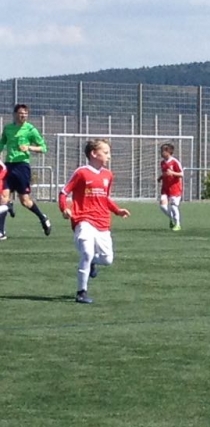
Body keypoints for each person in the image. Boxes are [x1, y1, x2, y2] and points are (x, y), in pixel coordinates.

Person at [58, 139, 131, 304]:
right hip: (83, 219)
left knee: (107, 259)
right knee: (87, 253)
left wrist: (117, 210)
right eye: (105, 152)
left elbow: (105, 198)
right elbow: (63, 193)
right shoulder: (81, 172)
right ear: (93, 154)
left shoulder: (108, 175)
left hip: (102, 222)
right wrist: (64, 209)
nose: (109, 156)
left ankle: (91, 263)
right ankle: (81, 292)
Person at [0, 104, 51, 238]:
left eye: (25, 113)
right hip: (8, 166)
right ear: (14, 114)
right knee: (3, 198)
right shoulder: (8, 128)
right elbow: (2, 143)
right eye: (21, 113)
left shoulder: (31, 130)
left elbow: (43, 148)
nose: (23, 115)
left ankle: (43, 218)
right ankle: (1, 231)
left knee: (25, 201)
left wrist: (29, 147)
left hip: (22, 167)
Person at [158, 143, 184, 231]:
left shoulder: (175, 162)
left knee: (173, 206)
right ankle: (172, 218)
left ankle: (178, 224)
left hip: (175, 188)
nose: (161, 153)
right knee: (162, 206)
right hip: (165, 188)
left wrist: (172, 173)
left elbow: (181, 174)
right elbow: (166, 173)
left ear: (169, 152)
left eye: (163, 151)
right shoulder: (162, 163)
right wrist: (161, 177)